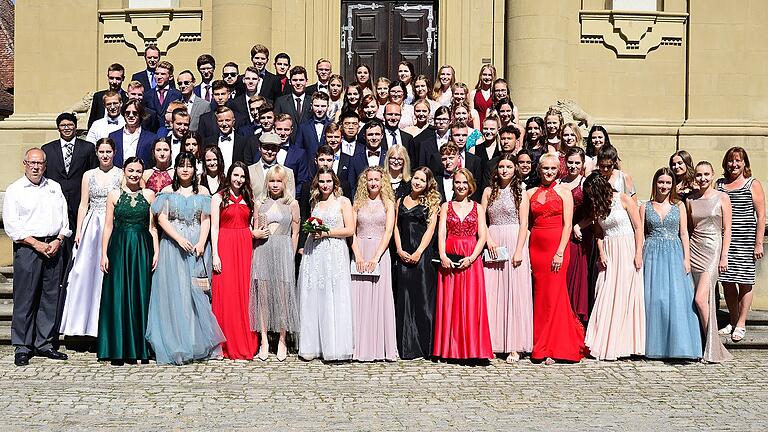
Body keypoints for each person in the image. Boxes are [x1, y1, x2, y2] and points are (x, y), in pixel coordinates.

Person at [146, 152, 225, 365]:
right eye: (182, 166)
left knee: (195, 294)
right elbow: (161, 219)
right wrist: (179, 238)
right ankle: (175, 343)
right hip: (173, 246)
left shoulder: (204, 192)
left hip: (196, 247)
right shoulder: (166, 191)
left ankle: (193, 341)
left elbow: (206, 218)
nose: (185, 170)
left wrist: (201, 242)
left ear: (195, 169)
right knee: (175, 292)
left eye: (189, 166)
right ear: (176, 168)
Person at [4, 148, 72, 366]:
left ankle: (44, 343)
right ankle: (23, 346)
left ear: (45, 165)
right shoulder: (15, 190)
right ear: (25, 163)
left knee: (49, 297)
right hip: (28, 248)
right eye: (32, 163)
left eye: (40, 163)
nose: (36, 167)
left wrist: (58, 240)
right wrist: (36, 244)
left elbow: (64, 219)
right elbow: (12, 225)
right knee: (25, 298)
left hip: (53, 246)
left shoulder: (54, 187)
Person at [97, 157, 159, 364]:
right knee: (118, 294)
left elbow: (152, 227)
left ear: (142, 173)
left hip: (142, 247)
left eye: (138, 171)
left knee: (140, 294)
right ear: (124, 171)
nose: (134, 174)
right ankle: (117, 346)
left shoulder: (150, 195)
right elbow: (108, 226)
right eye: (130, 170)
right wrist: (104, 253)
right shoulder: (113, 195)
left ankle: (140, 347)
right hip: (119, 247)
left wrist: (156, 252)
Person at [59, 139, 122, 338]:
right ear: (96, 153)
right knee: (84, 273)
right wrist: (78, 230)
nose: (105, 155)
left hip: (112, 224)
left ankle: (104, 325)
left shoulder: (120, 174)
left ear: (114, 152)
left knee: (107, 273)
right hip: (92, 225)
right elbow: (83, 204)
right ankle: (81, 325)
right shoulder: (88, 175)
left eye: (108, 151)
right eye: (101, 151)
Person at [527, 154, 586, 364]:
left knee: (555, 295)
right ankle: (540, 342)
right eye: (545, 168)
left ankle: (553, 345)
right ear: (539, 170)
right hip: (536, 247)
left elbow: (568, 225)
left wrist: (560, 252)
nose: (549, 172)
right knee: (540, 295)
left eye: (553, 168)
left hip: (557, 247)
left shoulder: (564, 192)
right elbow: (526, 225)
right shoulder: (530, 193)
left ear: (557, 170)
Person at [583, 171, 645, 361]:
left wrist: (637, 253)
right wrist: (601, 252)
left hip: (626, 248)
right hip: (609, 251)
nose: (590, 197)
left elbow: (638, 227)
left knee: (625, 294)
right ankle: (602, 339)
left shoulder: (623, 198)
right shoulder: (597, 206)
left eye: (592, 192)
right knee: (605, 292)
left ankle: (624, 343)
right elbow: (599, 232)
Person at [641, 167, 702, 360]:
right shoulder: (645, 206)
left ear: (672, 185)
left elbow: (684, 233)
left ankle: (679, 346)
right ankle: (653, 346)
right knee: (654, 299)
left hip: (674, 253)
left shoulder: (679, 206)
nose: (664, 186)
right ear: (655, 183)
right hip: (651, 253)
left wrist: (686, 258)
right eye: (661, 182)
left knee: (675, 299)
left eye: (668, 182)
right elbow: (640, 233)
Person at [434, 169, 493, 361]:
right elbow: (441, 233)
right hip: (450, 256)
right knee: (450, 302)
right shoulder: (446, 206)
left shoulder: (478, 208)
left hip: (471, 257)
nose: (460, 186)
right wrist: (442, 255)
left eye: (464, 183)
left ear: (470, 186)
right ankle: (450, 349)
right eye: (457, 182)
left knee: (471, 302)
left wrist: (472, 257)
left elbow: (483, 235)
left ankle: (472, 349)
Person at [298, 167, 355, 361]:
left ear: (335, 182)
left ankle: (335, 346)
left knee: (334, 294)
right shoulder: (315, 202)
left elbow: (349, 229)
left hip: (335, 251)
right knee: (315, 294)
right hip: (315, 252)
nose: (325, 185)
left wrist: (326, 233)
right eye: (322, 182)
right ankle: (313, 345)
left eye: (328, 181)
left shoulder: (343, 201)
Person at [481, 154, 532, 361]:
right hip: (493, 240)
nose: (504, 170)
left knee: (515, 292)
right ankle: (494, 342)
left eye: (509, 166)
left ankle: (515, 344)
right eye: (501, 166)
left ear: (515, 169)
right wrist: (488, 240)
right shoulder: (487, 191)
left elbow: (524, 223)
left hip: (513, 241)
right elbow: (480, 219)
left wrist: (519, 250)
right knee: (493, 292)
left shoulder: (521, 191)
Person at [250, 165, 301, 362]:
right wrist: (255, 234)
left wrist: (291, 253)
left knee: (282, 297)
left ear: (285, 183)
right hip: (263, 250)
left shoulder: (292, 204)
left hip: (283, 250)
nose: (275, 184)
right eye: (272, 181)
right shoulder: (259, 202)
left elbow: (295, 232)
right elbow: (255, 228)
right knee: (262, 297)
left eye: (279, 181)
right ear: (267, 182)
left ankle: (282, 339)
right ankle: (263, 340)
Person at [210, 161, 260, 360]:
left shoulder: (249, 198)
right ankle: (224, 344)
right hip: (225, 245)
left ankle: (245, 340)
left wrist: (254, 233)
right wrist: (215, 254)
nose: (238, 180)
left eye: (242, 176)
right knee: (226, 294)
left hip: (245, 246)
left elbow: (253, 224)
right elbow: (214, 228)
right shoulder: (218, 198)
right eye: (235, 175)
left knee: (244, 294)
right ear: (229, 175)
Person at [716, 147, 765, 342]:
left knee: (745, 281)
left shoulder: (752, 184)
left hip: (746, 241)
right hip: (724, 241)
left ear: (745, 163)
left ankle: (742, 323)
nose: (734, 164)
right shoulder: (719, 184)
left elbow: (761, 217)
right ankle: (733, 320)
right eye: (730, 161)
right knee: (727, 281)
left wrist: (758, 244)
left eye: (738, 161)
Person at [350, 166, 398, 361]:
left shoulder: (388, 203)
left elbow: (388, 232)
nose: (373, 183)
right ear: (365, 181)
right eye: (369, 179)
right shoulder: (358, 203)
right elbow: (351, 230)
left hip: (380, 252)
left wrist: (376, 256)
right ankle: (358, 346)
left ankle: (379, 348)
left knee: (380, 298)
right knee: (358, 299)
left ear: (382, 181)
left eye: (377, 179)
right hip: (360, 249)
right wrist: (359, 256)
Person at [687, 161, 733, 362]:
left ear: (713, 175)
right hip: (694, 249)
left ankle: (712, 346)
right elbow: (688, 229)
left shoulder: (722, 197)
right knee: (695, 300)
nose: (702, 178)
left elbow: (727, 230)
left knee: (700, 299)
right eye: (699, 175)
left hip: (713, 251)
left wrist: (724, 256)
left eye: (706, 174)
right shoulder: (690, 200)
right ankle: (703, 344)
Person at [394, 167, 440, 360]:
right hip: (402, 253)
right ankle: (405, 347)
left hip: (422, 256)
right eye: (415, 178)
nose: (417, 182)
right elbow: (395, 226)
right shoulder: (400, 200)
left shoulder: (432, 203)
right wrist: (399, 249)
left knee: (422, 299)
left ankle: (424, 346)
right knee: (404, 300)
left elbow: (430, 230)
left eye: (422, 180)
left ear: (427, 183)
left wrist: (419, 252)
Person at [559, 147, 589, 323]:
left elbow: (594, 213)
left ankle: (577, 321)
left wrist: (578, 225)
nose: (573, 166)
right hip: (563, 235)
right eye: (570, 162)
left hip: (581, 237)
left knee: (578, 280)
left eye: (577, 163)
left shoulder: (585, 183)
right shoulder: (559, 183)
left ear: (583, 164)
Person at [108, 100, 156, 168]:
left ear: (140, 115)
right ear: (123, 114)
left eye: (135, 113)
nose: (130, 115)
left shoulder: (151, 138)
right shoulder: (113, 136)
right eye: (127, 113)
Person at [88, 63, 128, 128]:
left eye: (118, 78)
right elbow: (91, 121)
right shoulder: (98, 96)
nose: (114, 82)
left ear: (123, 78)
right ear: (108, 77)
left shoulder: (127, 98)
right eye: (111, 78)